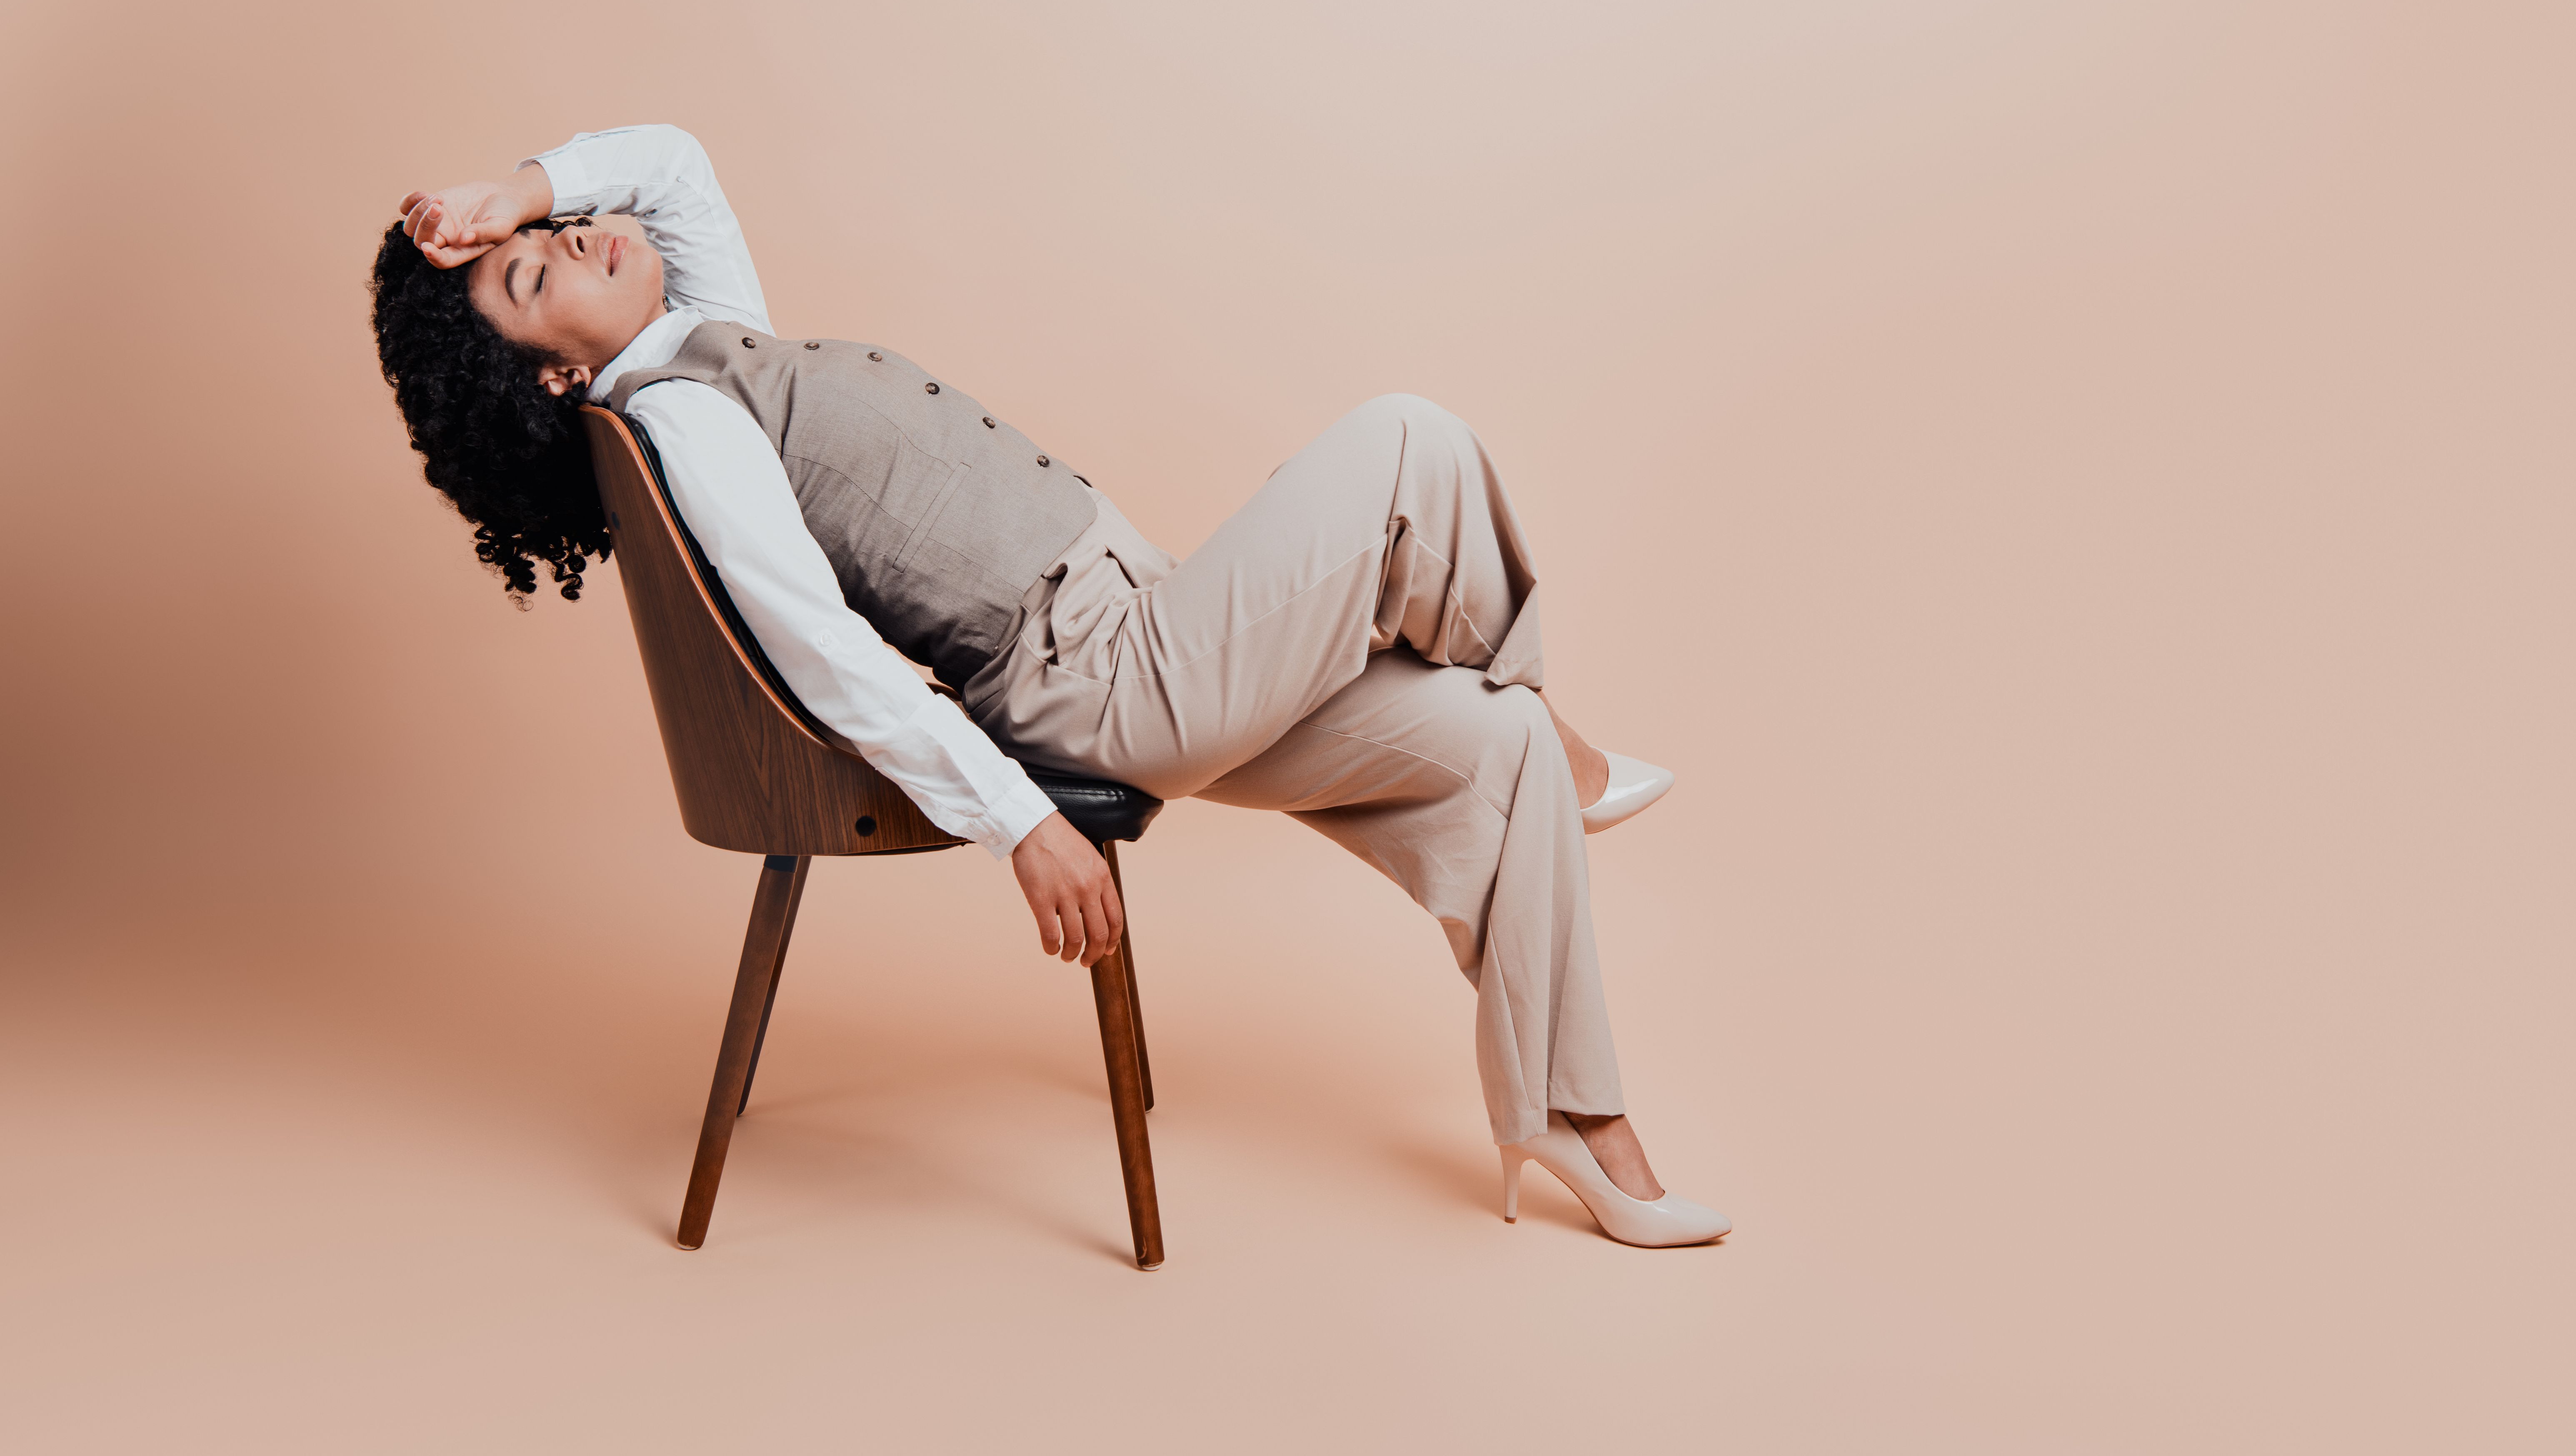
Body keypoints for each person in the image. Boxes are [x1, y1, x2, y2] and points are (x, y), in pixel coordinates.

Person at [370, 122, 1728, 1247]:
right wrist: (1017, 821)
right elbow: (823, 659)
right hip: (1100, 681)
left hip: (1147, 621)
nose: (571, 241)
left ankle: (1571, 1122)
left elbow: (671, 163)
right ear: (557, 376)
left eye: (550, 237)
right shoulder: (676, 420)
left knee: (1488, 755)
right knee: (1409, 447)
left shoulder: (706, 337)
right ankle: (1565, 731)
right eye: (537, 278)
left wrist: (515, 195)